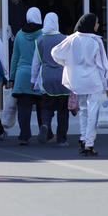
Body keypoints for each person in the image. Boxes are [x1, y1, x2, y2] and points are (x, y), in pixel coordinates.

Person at [52, 13, 108, 156]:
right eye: (97, 23)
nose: (98, 26)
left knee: (83, 111)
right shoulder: (95, 41)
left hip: (77, 81)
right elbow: (103, 65)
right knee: (93, 113)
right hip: (93, 81)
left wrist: (67, 63)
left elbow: (55, 53)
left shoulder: (71, 39)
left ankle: (83, 139)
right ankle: (89, 143)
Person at [31, 12, 71, 146]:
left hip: (46, 77)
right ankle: (62, 139)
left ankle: (46, 125)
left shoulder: (40, 40)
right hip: (62, 78)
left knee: (46, 107)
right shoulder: (65, 38)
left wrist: (33, 80)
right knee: (63, 110)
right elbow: (70, 60)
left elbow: (36, 63)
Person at [8, 7, 44, 145]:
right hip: (39, 76)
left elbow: (15, 57)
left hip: (22, 76)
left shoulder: (19, 35)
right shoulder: (41, 34)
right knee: (42, 107)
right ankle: (43, 130)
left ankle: (24, 135)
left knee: (23, 108)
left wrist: (12, 78)